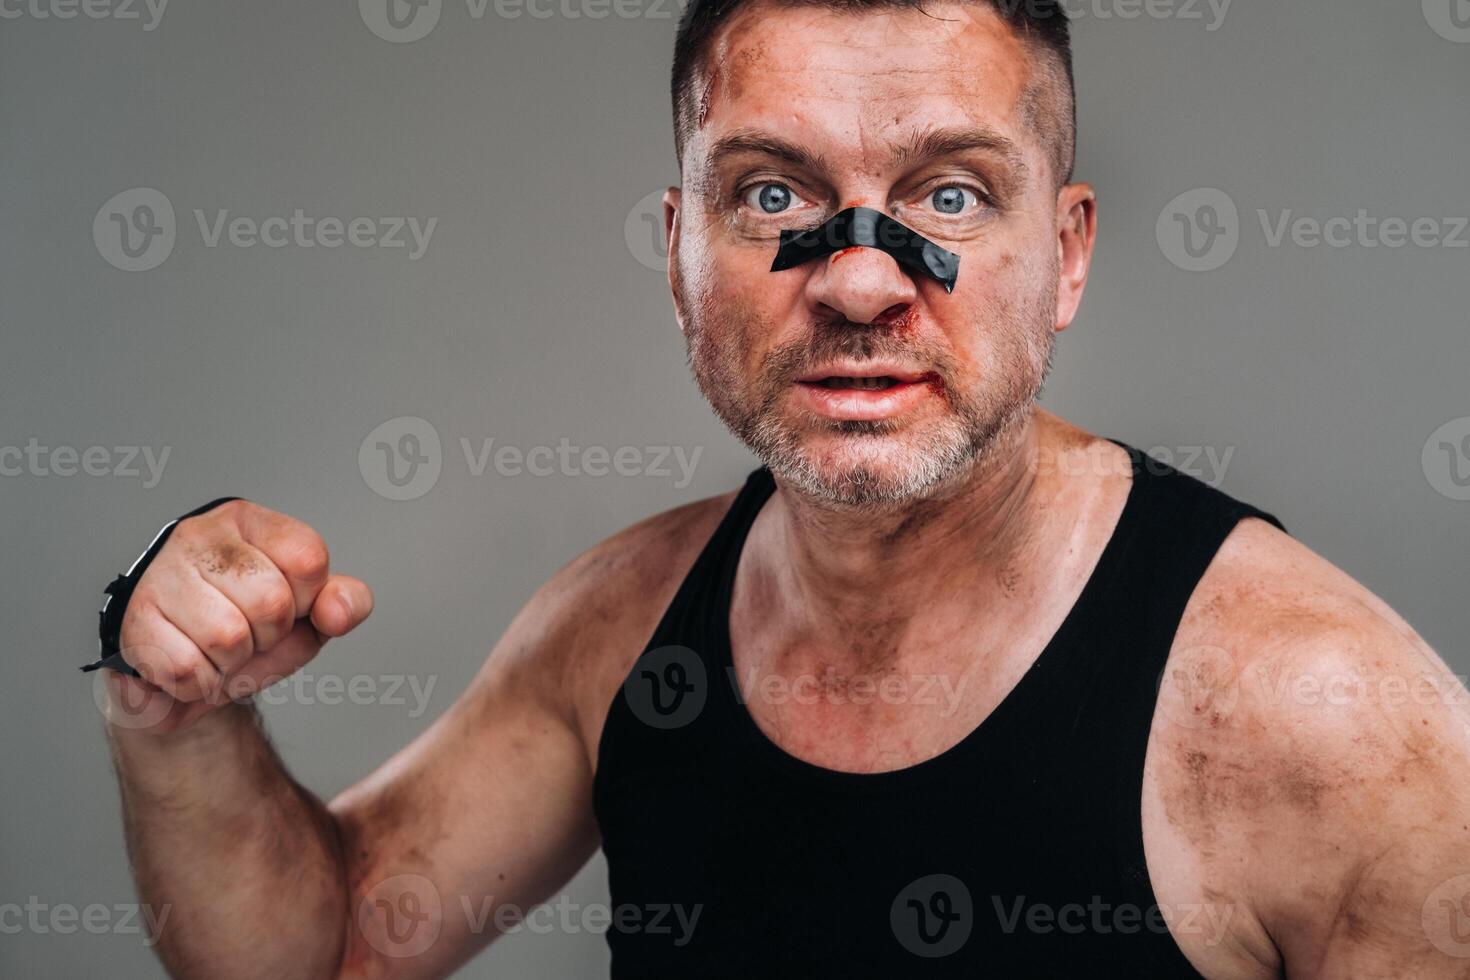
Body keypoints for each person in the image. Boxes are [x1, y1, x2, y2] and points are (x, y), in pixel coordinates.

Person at [97, 0, 1470, 976]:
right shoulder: (622, 627)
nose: (861, 279)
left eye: (948, 196)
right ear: (679, 246)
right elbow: (327, 950)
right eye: (768, 196)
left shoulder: (1327, 718)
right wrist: (179, 718)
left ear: (1064, 255)